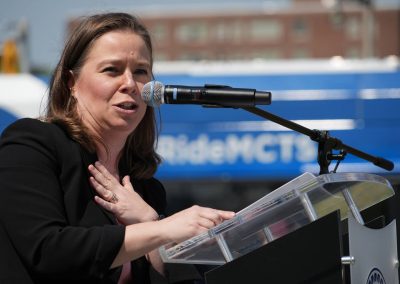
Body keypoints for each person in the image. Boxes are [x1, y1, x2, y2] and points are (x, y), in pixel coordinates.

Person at [0, 13, 235, 284]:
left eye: (140, 71)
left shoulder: (145, 188)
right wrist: (160, 229)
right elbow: (48, 252)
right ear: (71, 83)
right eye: (112, 70)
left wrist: (148, 219)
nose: (130, 84)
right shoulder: (32, 144)